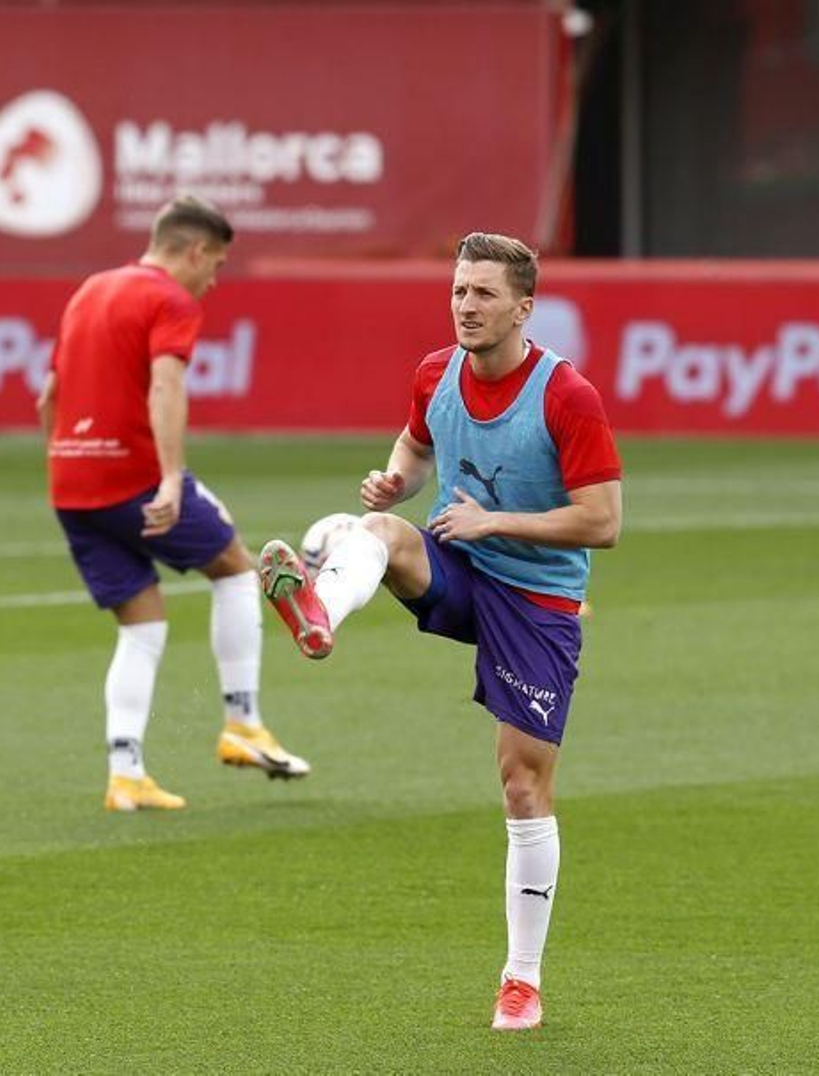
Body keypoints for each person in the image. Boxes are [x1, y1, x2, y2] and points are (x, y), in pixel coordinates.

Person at [258, 232, 622, 1031]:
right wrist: (397, 481)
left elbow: (604, 523)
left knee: (522, 782)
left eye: (485, 294)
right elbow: (416, 449)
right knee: (380, 529)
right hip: (459, 567)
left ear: (524, 307)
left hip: (536, 602)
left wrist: (497, 521)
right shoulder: (435, 373)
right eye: (459, 291)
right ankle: (317, 611)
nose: (466, 306)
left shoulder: (568, 396)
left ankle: (521, 980)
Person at [37, 195, 311, 811]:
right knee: (237, 570)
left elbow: (47, 395)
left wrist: (65, 462)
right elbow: (166, 383)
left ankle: (125, 773)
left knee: (142, 625)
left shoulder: (89, 291)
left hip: (72, 484)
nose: (213, 281)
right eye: (214, 265)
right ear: (194, 249)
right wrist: (170, 478)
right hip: (133, 478)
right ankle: (243, 721)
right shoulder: (168, 300)